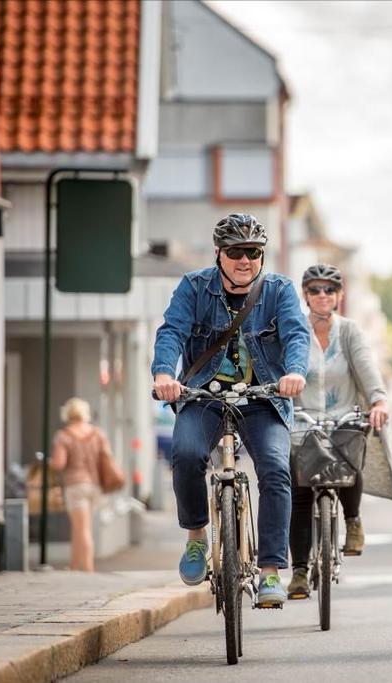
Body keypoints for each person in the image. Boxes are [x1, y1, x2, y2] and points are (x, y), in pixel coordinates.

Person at [152, 213, 310, 607]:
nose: (246, 260)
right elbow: (172, 331)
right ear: (219, 253)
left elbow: (295, 333)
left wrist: (294, 371)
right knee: (186, 454)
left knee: (275, 467)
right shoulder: (193, 287)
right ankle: (196, 537)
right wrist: (162, 374)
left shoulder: (279, 290)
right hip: (202, 394)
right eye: (237, 251)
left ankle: (271, 571)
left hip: (262, 396)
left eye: (254, 252)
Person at [286, 264, 391, 599]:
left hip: (343, 417)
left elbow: (366, 367)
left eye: (329, 290)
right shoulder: (294, 330)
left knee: (350, 454)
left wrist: (378, 401)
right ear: (305, 294)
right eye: (314, 290)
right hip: (303, 421)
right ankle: (299, 572)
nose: (322, 296)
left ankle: (353, 520)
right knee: (300, 496)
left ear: (339, 295)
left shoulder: (349, 332)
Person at [50, 397, 108, 572]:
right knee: (79, 527)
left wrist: (50, 463)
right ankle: (74, 566)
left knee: (82, 529)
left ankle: (89, 569)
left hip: (76, 486)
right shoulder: (97, 434)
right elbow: (106, 458)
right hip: (95, 485)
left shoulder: (64, 436)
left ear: (67, 414)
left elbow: (59, 463)